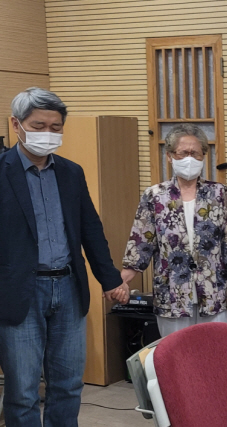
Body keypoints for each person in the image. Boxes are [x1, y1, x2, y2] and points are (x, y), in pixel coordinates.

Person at [0, 87, 128, 426]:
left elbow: (90, 229)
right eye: (38, 126)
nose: (48, 133)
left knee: (68, 385)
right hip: (19, 292)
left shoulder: (71, 172)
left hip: (69, 288)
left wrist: (111, 279)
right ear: (16, 124)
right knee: (23, 391)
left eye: (55, 127)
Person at [121, 124, 227, 337]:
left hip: (213, 292)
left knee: (213, 353)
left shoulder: (218, 193)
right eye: (183, 153)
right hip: (171, 296)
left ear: (203, 156)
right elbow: (141, 244)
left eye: (195, 153)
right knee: (176, 356)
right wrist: (121, 282)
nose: (190, 158)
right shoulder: (155, 196)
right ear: (170, 156)